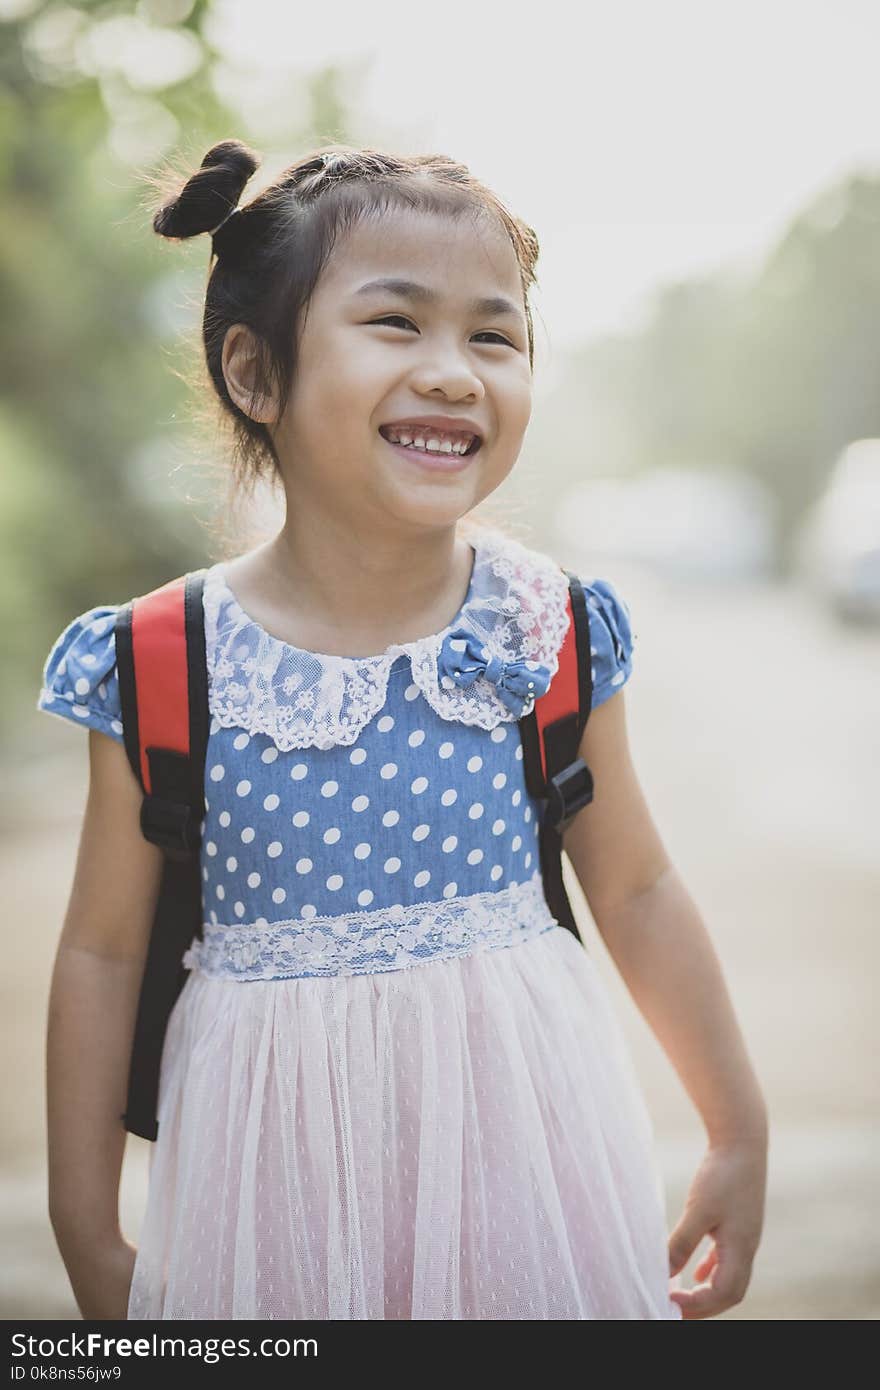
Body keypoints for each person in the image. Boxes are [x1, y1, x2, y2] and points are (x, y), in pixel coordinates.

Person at [36, 140, 768, 1321]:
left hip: (528, 1174)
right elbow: (103, 952)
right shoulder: (163, 663)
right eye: (396, 323)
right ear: (254, 373)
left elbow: (635, 888)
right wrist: (84, 1223)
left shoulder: (551, 634)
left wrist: (735, 1128)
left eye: (494, 336)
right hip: (267, 1193)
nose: (454, 373)